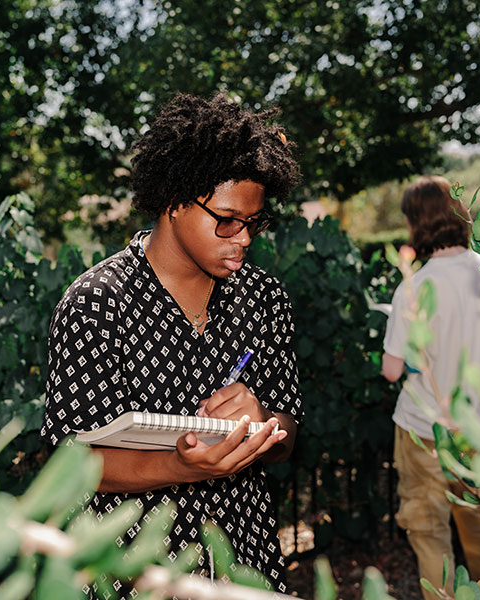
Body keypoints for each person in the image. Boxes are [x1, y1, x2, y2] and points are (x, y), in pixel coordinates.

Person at [41, 93, 303, 597]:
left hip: (244, 561)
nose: (243, 238)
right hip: (136, 571)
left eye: (254, 222)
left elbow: (289, 437)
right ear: (176, 201)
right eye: (227, 219)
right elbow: (73, 463)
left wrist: (265, 422)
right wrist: (179, 467)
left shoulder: (264, 298)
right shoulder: (98, 303)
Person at [381, 175, 480, 600]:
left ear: (415, 223)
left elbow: (392, 370)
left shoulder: (414, 286)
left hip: (422, 431)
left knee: (429, 533)